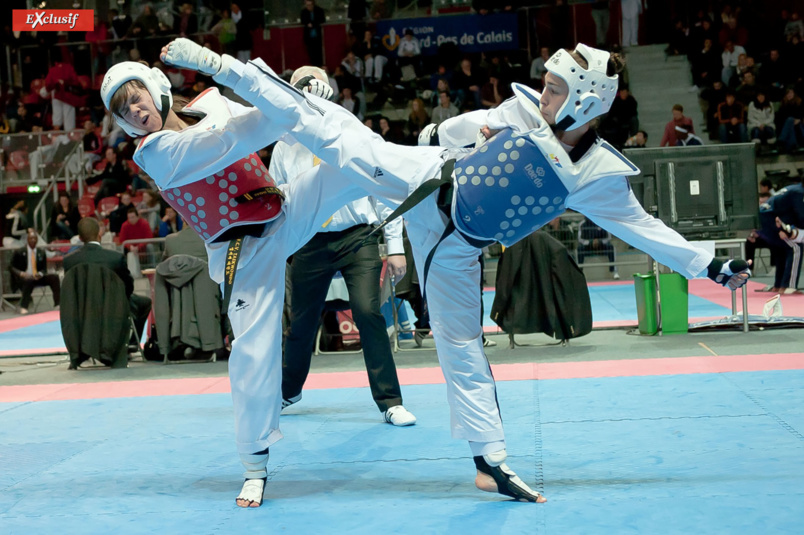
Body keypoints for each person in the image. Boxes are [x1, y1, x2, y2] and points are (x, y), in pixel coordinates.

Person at [162, 38, 753, 505]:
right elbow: (446, 133)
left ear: (586, 100)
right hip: (424, 179)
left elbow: (642, 228)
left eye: (553, 89)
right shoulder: (520, 111)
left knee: (462, 344)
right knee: (332, 127)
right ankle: (222, 68)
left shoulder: (595, 173)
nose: (542, 94)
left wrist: (711, 265)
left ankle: (489, 463)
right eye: (546, 85)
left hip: (458, 249)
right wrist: (467, 135)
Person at [101, 59, 381, 508]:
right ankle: (254, 467)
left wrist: (313, 104)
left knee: (356, 160)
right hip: (242, 253)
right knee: (252, 354)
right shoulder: (153, 151)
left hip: (283, 211)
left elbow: (281, 124)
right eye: (123, 110)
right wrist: (295, 100)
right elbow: (247, 133)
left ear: (156, 88)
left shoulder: (211, 102)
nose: (134, 111)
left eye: (136, 98)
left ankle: (439, 168)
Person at [276, 66, 416, 425]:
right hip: (309, 241)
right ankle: (288, 390)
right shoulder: (283, 145)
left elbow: (382, 188)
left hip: (358, 237)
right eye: (300, 84)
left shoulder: (352, 134)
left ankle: (390, 401)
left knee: (368, 312)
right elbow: (278, 201)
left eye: (314, 82)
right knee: (302, 323)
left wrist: (395, 245)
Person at [63, 217, 152, 339]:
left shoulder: (69, 261)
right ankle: (130, 344)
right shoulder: (115, 258)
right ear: (99, 234)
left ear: (80, 238)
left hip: (82, 308)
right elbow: (129, 287)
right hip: (113, 307)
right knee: (145, 303)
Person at [9, 229, 61, 314]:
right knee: (29, 281)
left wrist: (40, 274)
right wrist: (21, 273)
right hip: (25, 278)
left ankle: (57, 304)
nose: (33, 240)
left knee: (54, 277)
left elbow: (44, 269)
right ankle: (24, 306)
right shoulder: (19, 252)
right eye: (31, 238)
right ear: (27, 239)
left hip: (37, 277)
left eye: (35, 238)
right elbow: (11, 267)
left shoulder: (41, 252)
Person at [301, 0, 325, 67]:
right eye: (307, 5)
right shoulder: (304, 12)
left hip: (318, 37)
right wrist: (308, 24)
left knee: (319, 55)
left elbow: (322, 19)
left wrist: (312, 24)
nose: (308, 7)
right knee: (311, 55)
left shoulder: (319, 10)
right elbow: (303, 21)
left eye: (310, 5)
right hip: (309, 38)